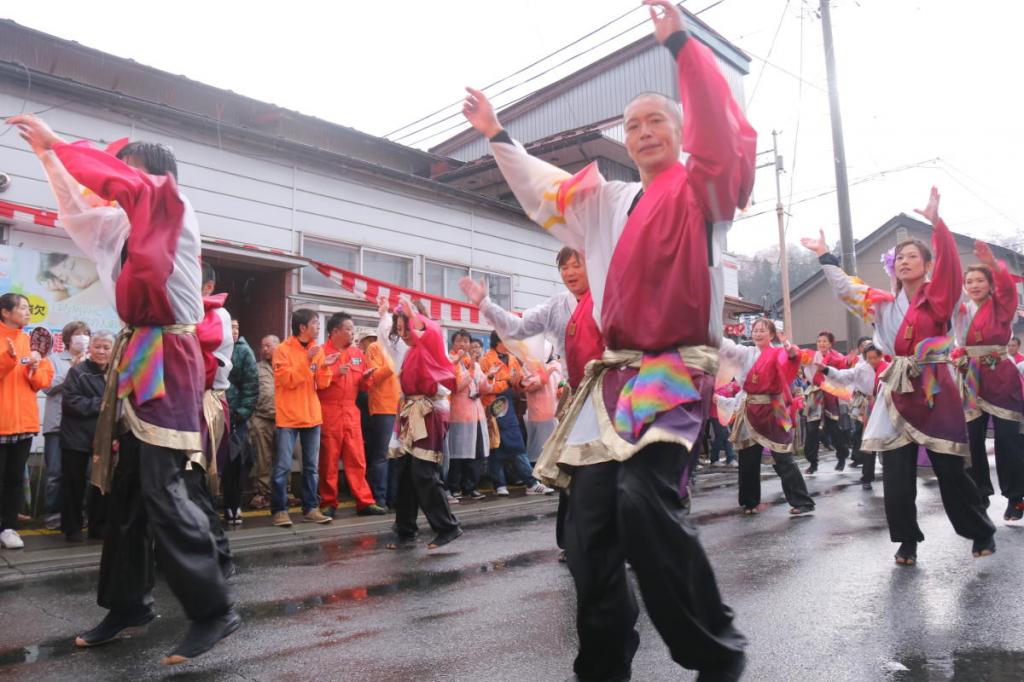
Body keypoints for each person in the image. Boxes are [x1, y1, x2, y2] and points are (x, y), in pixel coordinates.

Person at [461, 2, 754, 678]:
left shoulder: (703, 190)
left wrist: (680, 46)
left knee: (643, 499)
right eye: (633, 124)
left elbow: (718, 132)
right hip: (610, 379)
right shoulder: (608, 201)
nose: (644, 132)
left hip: (672, 367)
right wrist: (498, 134)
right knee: (586, 528)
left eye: (657, 121)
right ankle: (602, 666)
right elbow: (544, 187)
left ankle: (715, 649)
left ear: (681, 133)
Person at [12, 113, 238, 663]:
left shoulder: (171, 206)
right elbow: (77, 210)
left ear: (151, 175)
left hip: (170, 354)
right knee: (128, 485)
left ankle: (213, 608)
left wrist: (61, 145)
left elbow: (125, 185)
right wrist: (50, 159)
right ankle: (127, 603)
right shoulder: (121, 226)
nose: (109, 181)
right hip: (138, 352)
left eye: (121, 168)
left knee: (162, 482)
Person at [802, 186, 996, 566]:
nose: (905, 262)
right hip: (894, 392)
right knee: (895, 473)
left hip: (934, 389)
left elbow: (951, 267)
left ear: (927, 265)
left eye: (913, 257)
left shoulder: (941, 298)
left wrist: (937, 223)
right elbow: (846, 288)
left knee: (950, 471)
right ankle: (907, 541)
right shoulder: (882, 304)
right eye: (900, 258)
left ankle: (979, 530)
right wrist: (825, 255)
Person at [952, 241, 1024, 521]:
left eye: (980, 280)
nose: (974, 285)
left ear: (991, 284)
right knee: (972, 439)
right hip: (971, 376)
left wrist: (993, 263)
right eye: (969, 281)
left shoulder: (1002, 305)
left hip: (1001, 376)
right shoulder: (961, 310)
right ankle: (979, 492)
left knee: (1007, 439)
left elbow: (1007, 289)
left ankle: (1016, 497)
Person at [386, 297, 462, 550]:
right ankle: (405, 528)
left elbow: (431, 331)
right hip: (410, 411)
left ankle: (447, 526)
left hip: (430, 412)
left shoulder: (431, 343)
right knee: (405, 472)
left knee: (423, 472)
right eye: (399, 329)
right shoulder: (409, 351)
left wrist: (415, 317)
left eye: (406, 329)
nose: (403, 334)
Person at [717, 319, 814, 515]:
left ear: (771, 335)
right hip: (749, 408)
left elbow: (791, 358)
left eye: (762, 330)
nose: (758, 333)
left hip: (774, 408)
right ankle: (749, 502)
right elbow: (727, 347)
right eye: (755, 330)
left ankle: (802, 501)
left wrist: (789, 348)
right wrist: (711, 331)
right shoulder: (746, 352)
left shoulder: (778, 352)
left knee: (783, 458)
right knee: (747, 458)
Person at [271, 309, 338, 527]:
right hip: (288, 416)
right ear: (302, 327)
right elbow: (286, 381)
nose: (318, 327)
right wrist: (307, 361)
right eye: (315, 323)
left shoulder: (316, 350)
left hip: (312, 415)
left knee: (311, 467)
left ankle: (311, 508)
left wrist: (325, 366)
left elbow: (322, 384)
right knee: (283, 466)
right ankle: (280, 511)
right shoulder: (282, 350)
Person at [317, 312, 386, 518]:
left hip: (351, 410)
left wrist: (366, 379)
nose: (352, 333)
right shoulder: (321, 353)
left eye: (352, 329)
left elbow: (363, 386)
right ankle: (328, 501)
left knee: (357, 458)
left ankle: (364, 502)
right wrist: (335, 373)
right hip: (328, 410)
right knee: (328, 459)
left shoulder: (357, 353)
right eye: (348, 329)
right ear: (335, 331)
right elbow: (315, 381)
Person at [1, 293, 55, 550]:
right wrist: (9, 359)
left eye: (27, 307)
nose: (27, 311)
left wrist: (35, 367)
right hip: (2, 422)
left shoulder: (30, 342)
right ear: (5, 312)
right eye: (22, 307)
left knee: (14, 479)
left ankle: (8, 527)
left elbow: (43, 381)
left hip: (23, 424)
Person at [479, 332, 553, 496]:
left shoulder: (512, 359)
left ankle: (531, 482)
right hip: (493, 406)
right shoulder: (485, 359)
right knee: (496, 445)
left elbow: (518, 384)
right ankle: (500, 484)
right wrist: (507, 382)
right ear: (499, 341)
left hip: (509, 405)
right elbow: (483, 386)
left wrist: (523, 383)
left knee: (517, 444)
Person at [59, 331, 114, 541]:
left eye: (106, 347)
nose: (101, 351)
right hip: (76, 436)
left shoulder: (116, 373)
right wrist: (101, 404)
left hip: (104, 436)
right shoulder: (78, 372)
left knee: (101, 483)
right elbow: (71, 402)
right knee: (73, 483)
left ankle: (98, 527)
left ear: (114, 350)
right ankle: (71, 528)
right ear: (89, 348)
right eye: (97, 347)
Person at [40, 320, 91, 530]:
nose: (83, 337)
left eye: (86, 333)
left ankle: (80, 513)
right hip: (57, 425)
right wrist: (73, 368)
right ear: (68, 338)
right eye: (78, 333)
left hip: (82, 427)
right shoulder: (54, 359)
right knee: (55, 472)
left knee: (84, 473)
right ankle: (52, 514)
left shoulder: (93, 361)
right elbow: (47, 387)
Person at [821, 345, 889, 490]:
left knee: (889, 442)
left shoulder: (889, 367)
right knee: (869, 441)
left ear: (881, 355)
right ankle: (867, 477)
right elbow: (843, 375)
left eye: (875, 357)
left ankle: (891, 475)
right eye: (869, 358)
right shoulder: (860, 369)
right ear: (865, 358)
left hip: (886, 406)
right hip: (870, 407)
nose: (873, 360)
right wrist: (826, 369)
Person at [445, 329, 491, 500]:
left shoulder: (473, 363)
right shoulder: (451, 361)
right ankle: (453, 486)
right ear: (453, 343)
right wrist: (471, 369)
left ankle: (470, 486)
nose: (463, 344)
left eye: (466, 341)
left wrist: (490, 377)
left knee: (475, 452)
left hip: (476, 414)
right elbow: (456, 386)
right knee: (458, 453)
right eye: (459, 340)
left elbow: (484, 387)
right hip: (459, 414)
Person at [801, 330, 852, 473]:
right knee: (812, 430)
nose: (821, 344)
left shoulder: (838, 357)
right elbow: (798, 358)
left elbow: (844, 372)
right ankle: (813, 462)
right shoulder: (812, 356)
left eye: (824, 341)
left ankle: (842, 456)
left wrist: (848, 362)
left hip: (831, 394)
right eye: (819, 341)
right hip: (815, 394)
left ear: (830, 344)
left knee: (834, 429)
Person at [226, 319, 258, 522]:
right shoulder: (214, 347)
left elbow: (251, 385)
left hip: (236, 416)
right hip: (214, 414)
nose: (235, 331)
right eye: (231, 327)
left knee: (237, 462)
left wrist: (242, 412)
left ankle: (234, 505)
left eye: (237, 327)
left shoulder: (244, 351)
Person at [248, 335, 279, 509]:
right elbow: (250, 391)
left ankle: (284, 492)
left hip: (284, 420)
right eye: (262, 346)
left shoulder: (287, 365)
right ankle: (262, 493)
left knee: (282, 458)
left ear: (278, 346)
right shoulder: (257, 368)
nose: (264, 349)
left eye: (268, 346)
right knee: (263, 458)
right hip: (261, 418)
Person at [709, 381, 740, 467]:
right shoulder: (713, 383)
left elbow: (741, 390)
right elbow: (714, 398)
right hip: (716, 414)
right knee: (724, 434)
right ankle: (718, 459)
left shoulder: (731, 384)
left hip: (727, 415)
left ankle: (729, 459)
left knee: (726, 436)